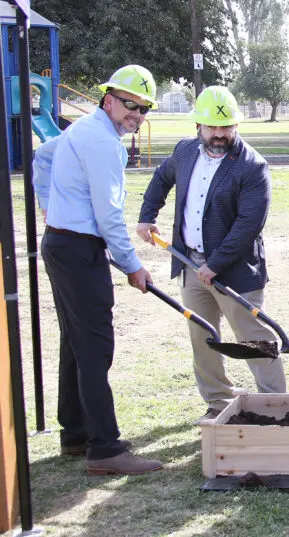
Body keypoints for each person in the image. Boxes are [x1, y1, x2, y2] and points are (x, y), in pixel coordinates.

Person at [33, 65, 163, 475]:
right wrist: (133, 266)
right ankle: (105, 448)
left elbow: (41, 157)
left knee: (75, 342)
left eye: (143, 109)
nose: (136, 116)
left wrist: (49, 208)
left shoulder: (83, 129)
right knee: (94, 347)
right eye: (130, 105)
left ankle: (74, 433)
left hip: (61, 244)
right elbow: (109, 217)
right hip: (77, 249)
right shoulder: (105, 143)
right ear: (107, 99)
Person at [137, 85, 285, 424]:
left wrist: (215, 265)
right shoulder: (185, 151)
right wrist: (148, 215)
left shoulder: (253, 167)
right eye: (212, 127)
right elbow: (161, 179)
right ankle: (218, 401)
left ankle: (278, 406)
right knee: (202, 338)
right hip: (190, 264)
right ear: (198, 127)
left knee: (254, 339)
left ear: (236, 126)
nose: (219, 134)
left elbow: (249, 225)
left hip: (234, 271)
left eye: (226, 127)